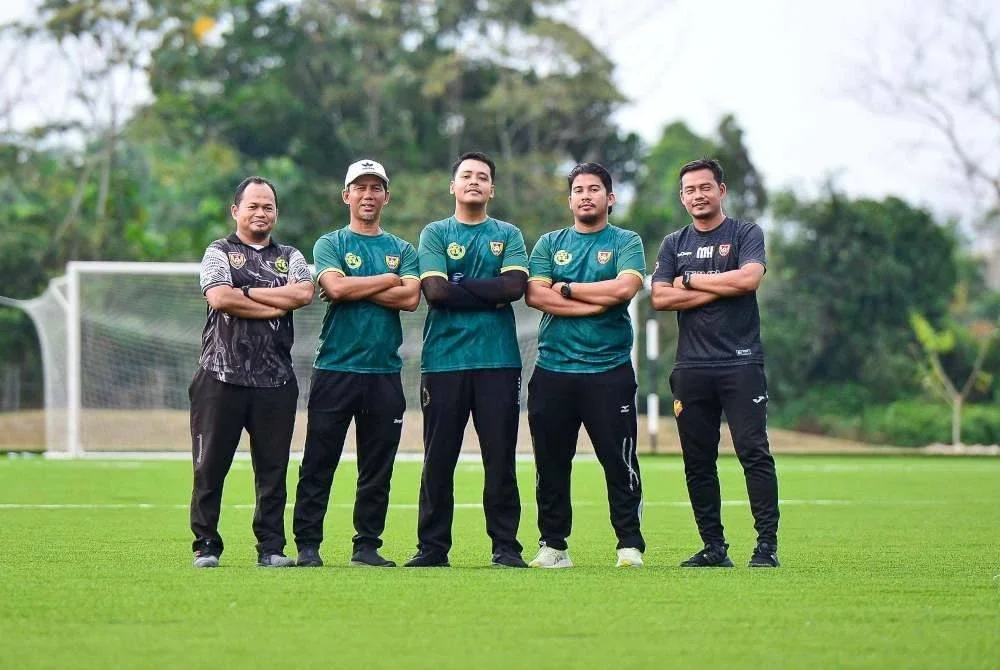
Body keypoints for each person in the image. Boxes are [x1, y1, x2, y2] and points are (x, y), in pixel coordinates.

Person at [650, 158, 780, 568]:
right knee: (697, 460)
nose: (697, 195)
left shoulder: (745, 233)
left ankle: (766, 547)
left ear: (721, 190)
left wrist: (690, 282)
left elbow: (749, 280)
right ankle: (713, 548)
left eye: (705, 187)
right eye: (690, 190)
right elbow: (660, 298)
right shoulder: (674, 244)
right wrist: (719, 286)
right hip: (691, 368)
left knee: (753, 451)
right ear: (682, 197)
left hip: (741, 362)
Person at [292, 159, 420, 568]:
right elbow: (333, 286)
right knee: (318, 462)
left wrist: (356, 286)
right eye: (360, 187)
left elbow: (412, 298)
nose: (368, 195)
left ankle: (367, 546)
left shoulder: (402, 249)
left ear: (386, 195)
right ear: (346, 195)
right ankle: (308, 545)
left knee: (376, 467)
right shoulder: (330, 244)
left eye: (375, 188)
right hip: (335, 368)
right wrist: (389, 279)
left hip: (384, 373)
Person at [405, 151, 529, 568]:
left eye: (482, 177)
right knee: (438, 457)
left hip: (498, 361)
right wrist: (486, 290)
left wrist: (461, 283)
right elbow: (435, 293)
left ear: (492, 189)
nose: (474, 181)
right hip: (443, 361)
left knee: (500, 457)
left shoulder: (508, 234)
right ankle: (433, 549)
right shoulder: (435, 233)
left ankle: (506, 547)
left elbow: (513, 288)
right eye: (466, 175)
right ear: (452, 186)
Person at [524, 162, 646, 569]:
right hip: (554, 369)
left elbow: (626, 287)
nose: (586, 195)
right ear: (570, 199)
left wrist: (570, 289)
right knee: (551, 461)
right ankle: (554, 546)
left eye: (594, 189)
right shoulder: (548, 242)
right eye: (578, 189)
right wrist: (599, 300)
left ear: (609, 198)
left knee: (619, 459)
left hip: (609, 369)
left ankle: (629, 544)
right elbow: (537, 297)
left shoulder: (626, 241)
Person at [189, 176, 315, 568]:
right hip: (220, 376)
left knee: (273, 470)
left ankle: (271, 549)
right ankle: (206, 545)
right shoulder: (218, 252)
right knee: (210, 466)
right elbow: (220, 297)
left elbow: (303, 294)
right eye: (253, 206)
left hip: (276, 380)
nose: (261, 213)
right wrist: (270, 302)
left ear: (276, 212)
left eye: (268, 207)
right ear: (236, 211)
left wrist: (244, 294)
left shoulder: (291, 255)